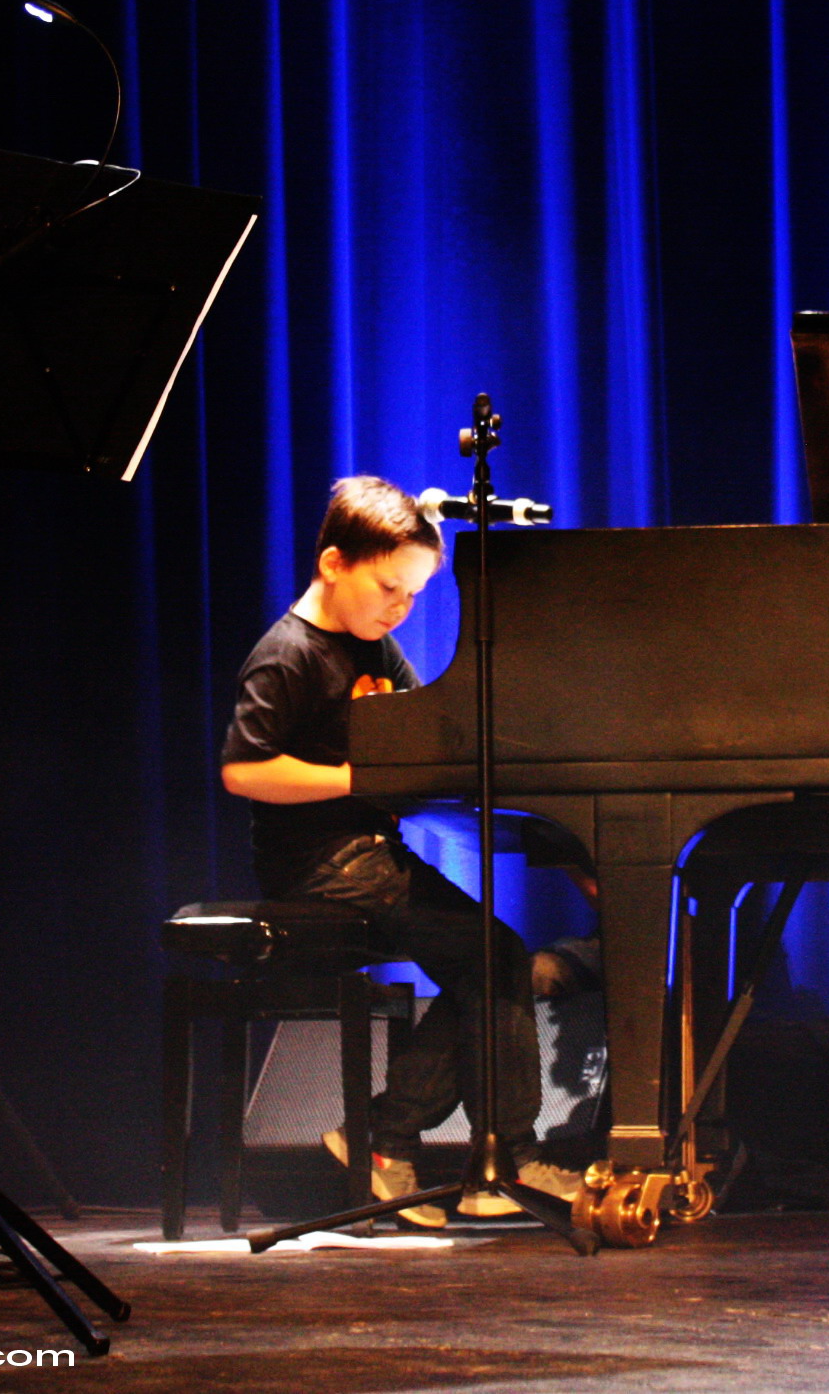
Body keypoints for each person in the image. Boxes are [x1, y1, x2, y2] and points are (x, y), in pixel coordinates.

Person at [221, 476, 583, 1225]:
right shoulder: (286, 655)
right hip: (318, 862)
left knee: (492, 960)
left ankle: (396, 1142)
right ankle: (491, 1158)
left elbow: (422, 733)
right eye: (389, 588)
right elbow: (244, 770)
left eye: (414, 595)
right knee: (494, 958)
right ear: (332, 563)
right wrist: (357, 779)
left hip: (368, 852)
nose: (401, 608)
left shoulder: (374, 645)